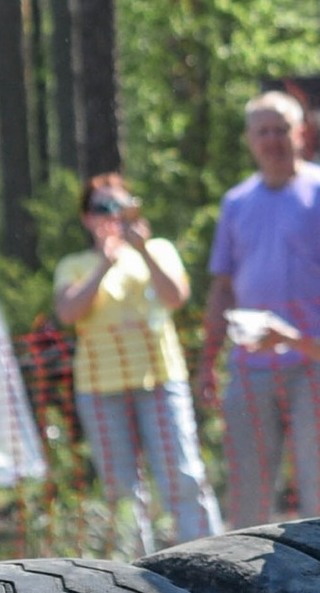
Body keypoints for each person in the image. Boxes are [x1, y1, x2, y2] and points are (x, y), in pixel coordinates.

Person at [204, 91, 320, 523]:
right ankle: (243, 564)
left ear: (301, 133)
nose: (272, 140)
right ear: (249, 139)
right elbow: (222, 287)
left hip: (319, 361)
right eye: (262, 131)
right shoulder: (236, 202)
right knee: (247, 487)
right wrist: (207, 362)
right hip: (251, 363)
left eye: (281, 129)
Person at [53, 175, 220, 551]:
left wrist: (141, 249)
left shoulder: (157, 249)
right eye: (101, 207)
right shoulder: (75, 264)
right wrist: (104, 264)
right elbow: (67, 312)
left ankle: (210, 557)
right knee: (122, 492)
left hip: (160, 380)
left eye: (119, 205)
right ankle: (132, 569)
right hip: (100, 390)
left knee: (183, 477)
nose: (111, 215)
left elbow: (176, 297)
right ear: (86, 217)